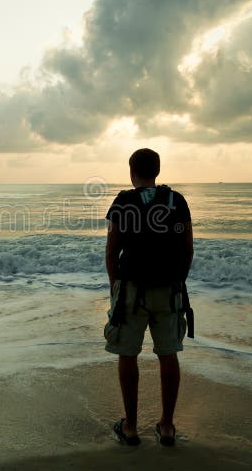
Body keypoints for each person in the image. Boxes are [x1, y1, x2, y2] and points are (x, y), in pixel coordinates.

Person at [103, 148, 194, 447]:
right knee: (168, 354)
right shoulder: (175, 201)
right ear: (157, 171)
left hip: (131, 290)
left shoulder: (124, 202)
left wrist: (116, 287)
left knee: (127, 354)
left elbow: (112, 251)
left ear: (132, 172)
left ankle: (130, 427)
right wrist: (178, 282)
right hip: (168, 291)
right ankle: (166, 426)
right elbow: (187, 249)